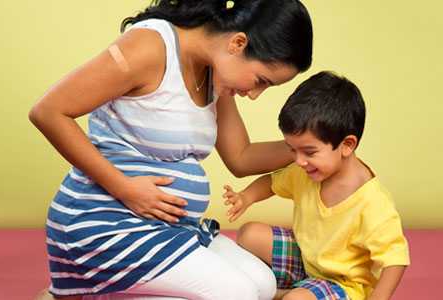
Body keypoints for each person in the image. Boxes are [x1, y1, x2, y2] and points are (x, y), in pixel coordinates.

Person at [29, 0, 313, 299]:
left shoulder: (215, 74)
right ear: (237, 43)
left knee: (263, 284)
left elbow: (241, 157)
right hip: (104, 223)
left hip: (169, 230)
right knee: (237, 294)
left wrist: (312, 147)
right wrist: (124, 188)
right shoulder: (149, 47)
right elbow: (48, 112)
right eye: (260, 81)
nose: (254, 94)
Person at [223, 71, 410, 300]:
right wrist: (246, 197)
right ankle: (289, 290)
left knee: (297, 299)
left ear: (347, 145)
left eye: (309, 152)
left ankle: (284, 294)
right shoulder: (308, 171)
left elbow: (395, 259)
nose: (299, 161)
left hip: (343, 284)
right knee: (249, 233)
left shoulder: (372, 202)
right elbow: (272, 182)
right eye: (293, 150)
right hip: (306, 258)